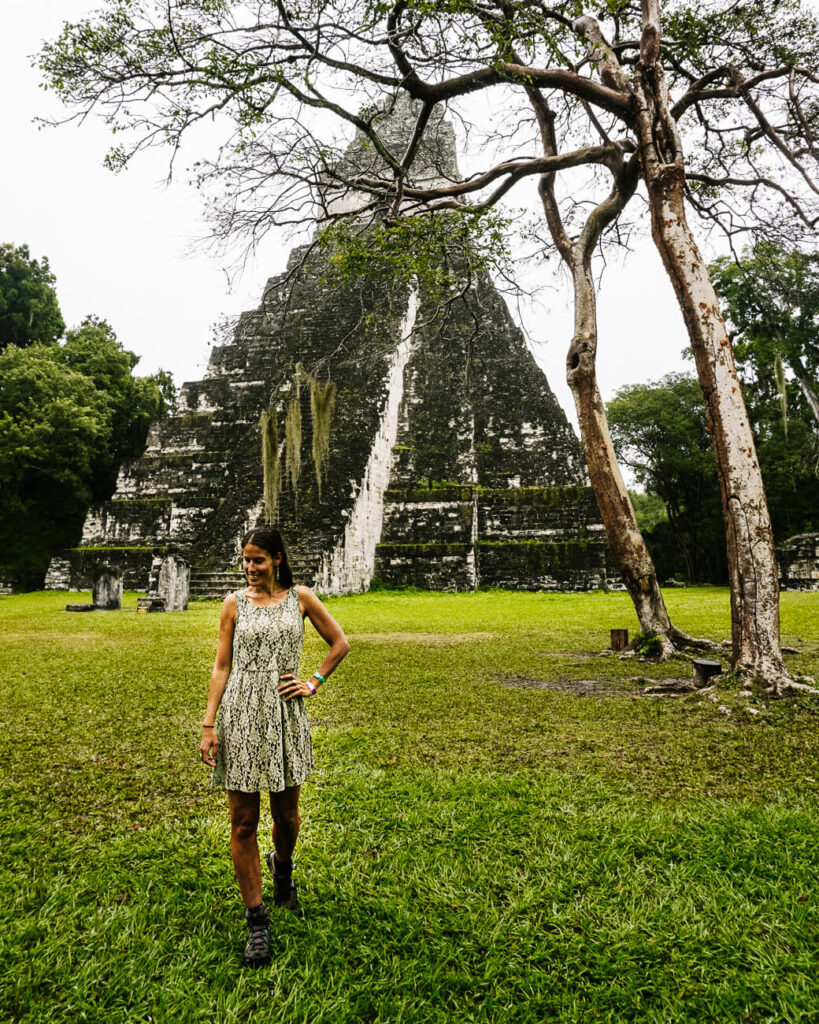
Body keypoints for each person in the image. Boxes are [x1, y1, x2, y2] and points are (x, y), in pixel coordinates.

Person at [199, 525, 350, 967]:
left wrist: (313, 681)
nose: (250, 568)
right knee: (243, 821)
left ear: (277, 559)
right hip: (239, 714)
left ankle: (282, 867)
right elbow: (221, 665)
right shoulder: (233, 604)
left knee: (287, 816)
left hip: (284, 714)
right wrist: (209, 724)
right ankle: (257, 920)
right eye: (245, 560)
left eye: (258, 560)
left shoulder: (300, 598)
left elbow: (340, 643)